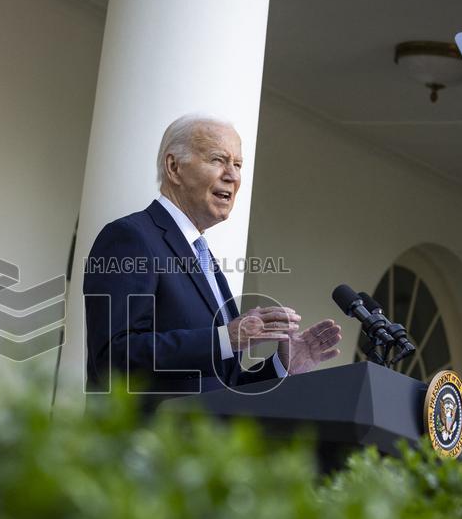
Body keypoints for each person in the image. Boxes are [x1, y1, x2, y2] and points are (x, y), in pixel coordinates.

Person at [84, 114, 341, 395]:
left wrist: (281, 367)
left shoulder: (202, 256)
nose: (232, 175)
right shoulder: (130, 238)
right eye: (218, 160)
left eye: (238, 164)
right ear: (174, 167)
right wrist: (225, 339)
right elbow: (114, 357)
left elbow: (222, 388)